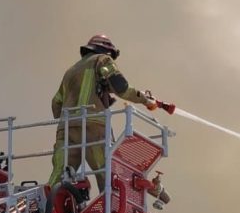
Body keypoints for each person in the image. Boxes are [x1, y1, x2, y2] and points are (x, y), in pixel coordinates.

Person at [48, 34, 158, 192]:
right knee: (106, 173)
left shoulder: (70, 71)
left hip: (67, 129)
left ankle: (47, 206)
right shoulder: (103, 60)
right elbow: (121, 87)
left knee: (59, 174)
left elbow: (56, 104)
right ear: (107, 52)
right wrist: (145, 100)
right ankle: (111, 207)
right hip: (93, 125)